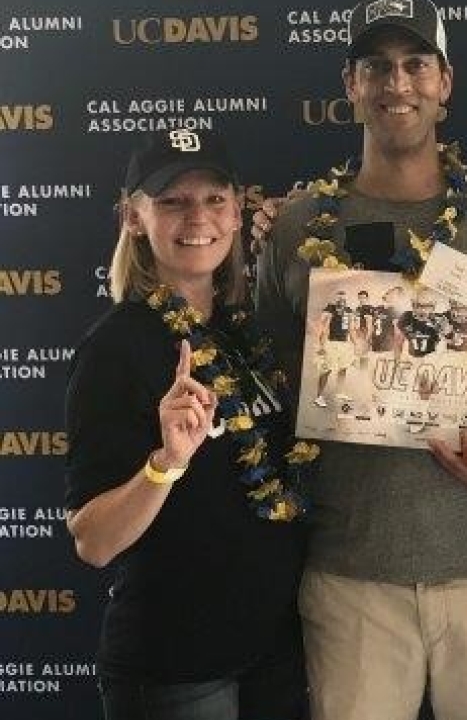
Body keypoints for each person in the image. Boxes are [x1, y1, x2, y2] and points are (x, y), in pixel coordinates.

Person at [253, 1, 467, 719]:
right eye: (377, 66)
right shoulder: (300, 226)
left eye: (415, 63)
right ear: (351, 85)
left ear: (445, 82)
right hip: (350, 576)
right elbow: (271, 372)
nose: (398, 82)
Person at [64, 129, 311, 720]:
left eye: (214, 199)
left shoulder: (246, 333)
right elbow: (93, 541)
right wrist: (166, 462)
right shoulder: (118, 347)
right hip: (177, 668)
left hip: (275, 656)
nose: (196, 217)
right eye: (172, 200)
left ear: (236, 212)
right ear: (133, 217)